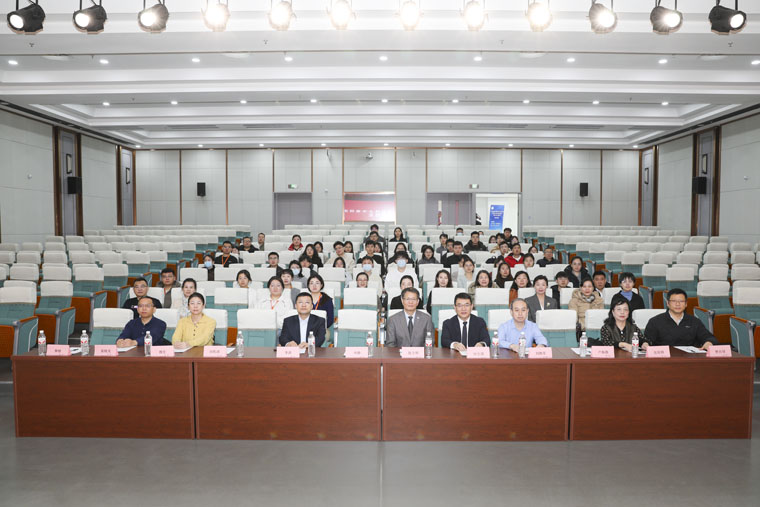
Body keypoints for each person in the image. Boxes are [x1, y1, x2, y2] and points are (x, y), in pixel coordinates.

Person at [644, 288, 718, 349]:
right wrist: (645, 344)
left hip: (688, 359)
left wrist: (709, 342)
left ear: (686, 304)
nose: (677, 304)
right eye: (674, 301)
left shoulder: (694, 321)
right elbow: (647, 341)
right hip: (664, 359)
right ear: (668, 303)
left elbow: (708, 337)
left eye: (681, 301)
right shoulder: (655, 321)